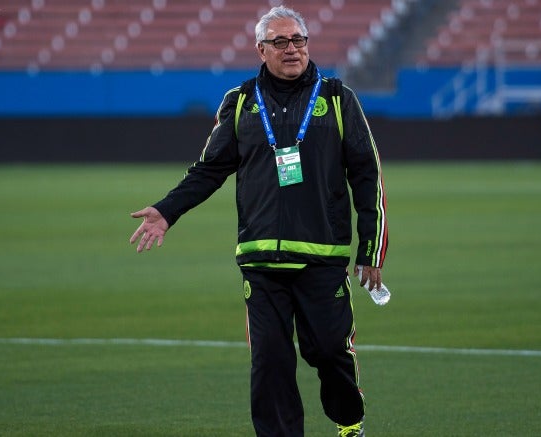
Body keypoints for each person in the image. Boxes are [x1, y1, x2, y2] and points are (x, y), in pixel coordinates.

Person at [129, 6, 388, 437]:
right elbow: (209, 169)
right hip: (261, 261)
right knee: (269, 362)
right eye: (281, 42)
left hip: (322, 259)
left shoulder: (338, 99)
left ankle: (348, 419)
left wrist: (370, 250)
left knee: (329, 352)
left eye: (299, 40)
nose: (292, 49)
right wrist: (167, 210)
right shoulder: (240, 102)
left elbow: (367, 175)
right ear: (260, 50)